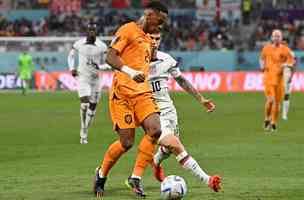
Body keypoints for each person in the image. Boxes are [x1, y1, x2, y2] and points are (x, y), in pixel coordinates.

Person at [125, 32, 222, 197]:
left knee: (169, 149)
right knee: (176, 145)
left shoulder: (167, 59)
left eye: (157, 39)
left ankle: (153, 163)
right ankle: (208, 180)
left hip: (170, 111)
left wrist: (201, 99)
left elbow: (182, 80)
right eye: (151, 38)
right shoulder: (136, 62)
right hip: (151, 114)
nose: (154, 42)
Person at [93, 2, 169, 198]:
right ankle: (101, 175)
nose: (160, 26)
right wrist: (129, 71)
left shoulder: (150, 39)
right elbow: (110, 57)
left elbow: (146, 59)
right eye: (159, 21)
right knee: (126, 143)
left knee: (155, 130)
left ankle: (135, 178)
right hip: (122, 95)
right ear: (149, 14)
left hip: (142, 93)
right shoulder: (128, 29)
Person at [67, 22, 108, 144]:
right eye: (89, 30)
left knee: (92, 108)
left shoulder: (102, 46)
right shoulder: (78, 43)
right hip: (82, 78)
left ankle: (85, 129)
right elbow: (71, 56)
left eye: (93, 30)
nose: (91, 32)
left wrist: (100, 66)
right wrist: (71, 68)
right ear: (86, 31)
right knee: (84, 105)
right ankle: (83, 131)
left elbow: (109, 63)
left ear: (96, 32)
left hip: (96, 79)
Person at [260, 30, 295, 132]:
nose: (276, 38)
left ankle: (274, 122)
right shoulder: (266, 48)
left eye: (278, 36)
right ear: (271, 37)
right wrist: (262, 66)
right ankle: (267, 118)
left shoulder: (285, 50)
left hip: (279, 80)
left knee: (277, 103)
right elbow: (261, 59)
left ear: (281, 38)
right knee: (271, 100)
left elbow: (291, 60)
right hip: (268, 78)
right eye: (275, 36)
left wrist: (287, 65)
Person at [282, 42, 296, 120]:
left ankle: (284, 114)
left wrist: (291, 77)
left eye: (284, 45)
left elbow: (293, 66)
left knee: (286, 95)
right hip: (279, 75)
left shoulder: (291, 53)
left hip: (287, 74)